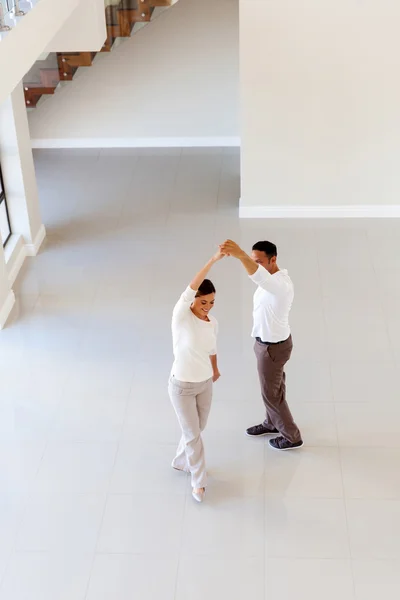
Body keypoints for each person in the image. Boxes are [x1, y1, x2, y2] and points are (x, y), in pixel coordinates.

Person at [220, 239, 303, 451]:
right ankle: (272, 423)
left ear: (273, 260)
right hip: (268, 345)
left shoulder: (279, 284)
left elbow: (256, 274)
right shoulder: (270, 280)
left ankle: (291, 437)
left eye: (258, 261)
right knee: (275, 389)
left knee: (271, 394)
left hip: (272, 348)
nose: (255, 265)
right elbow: (258, 276)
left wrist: (240, 255)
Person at [169, 250, 224, 502]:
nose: (207, 307)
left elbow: (212, 347)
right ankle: (198, 482)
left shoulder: (212, 322)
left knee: (198, 428)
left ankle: (181, 461)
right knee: (193, 435)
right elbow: (191, 287)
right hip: (181, 386)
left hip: (204, 384)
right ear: (192, 300)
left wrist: (214, 369)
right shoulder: (181, 316)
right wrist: (213, 260)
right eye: (203, 302)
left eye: (212, 302)